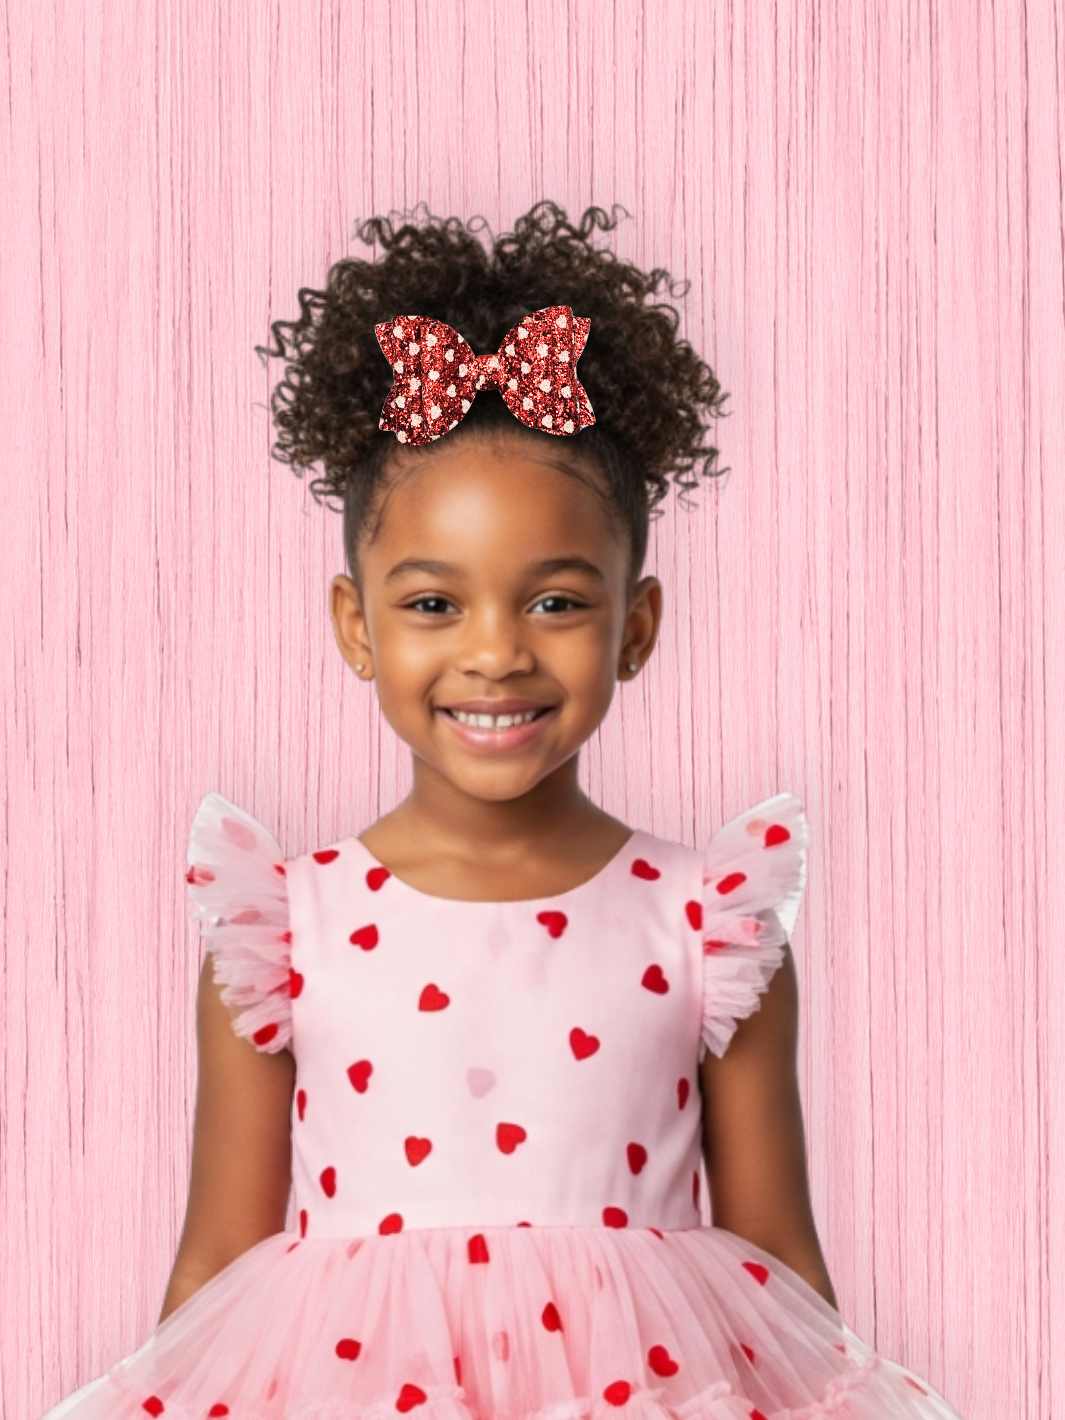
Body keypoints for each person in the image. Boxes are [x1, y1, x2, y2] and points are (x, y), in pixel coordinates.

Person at [41, 202, 965, 1419]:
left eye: (557, 603)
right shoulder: (284, 929)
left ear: (635, 627)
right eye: (433, 605)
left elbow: (778, 1267)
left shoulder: (710, 929)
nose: (495, 654)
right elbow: (217, 1264)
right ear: (355, 627)